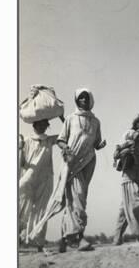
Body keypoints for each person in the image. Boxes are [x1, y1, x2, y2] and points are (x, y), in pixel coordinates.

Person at [56, 89, 106, 252]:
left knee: (80, 198)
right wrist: (67, 150)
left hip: (89, 161)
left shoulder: (96, 121)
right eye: (80, 97)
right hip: (73, 161)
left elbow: (96, 143)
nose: (83, 100)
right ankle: (78, 237)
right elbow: (61, 140)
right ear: (77, 100)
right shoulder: (70, 119)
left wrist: (101, 145)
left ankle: (65, 237)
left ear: (90, 99)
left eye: (86, 97)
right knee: (77, 197)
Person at [18, 116, 64, 255]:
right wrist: (20, 148)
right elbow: (21, 163)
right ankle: (14, 242)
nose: (43, 126)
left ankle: (39, 244)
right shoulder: (26, 140)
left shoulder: (49, 140)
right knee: (22, 210)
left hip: (45, 178)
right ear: (35, 124)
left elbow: (66, 134)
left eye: (45, 124)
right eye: (40, 123)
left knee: (41, 211)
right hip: (28, 178)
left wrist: (62, 118)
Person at [112, 114, 139, 245]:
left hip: (138, 179)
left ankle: (117, 237)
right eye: (138, 128)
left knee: (124, 210)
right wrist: (126, 151)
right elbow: (116, 154)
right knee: (137, 203)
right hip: (128, 178)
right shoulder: (128, 142)